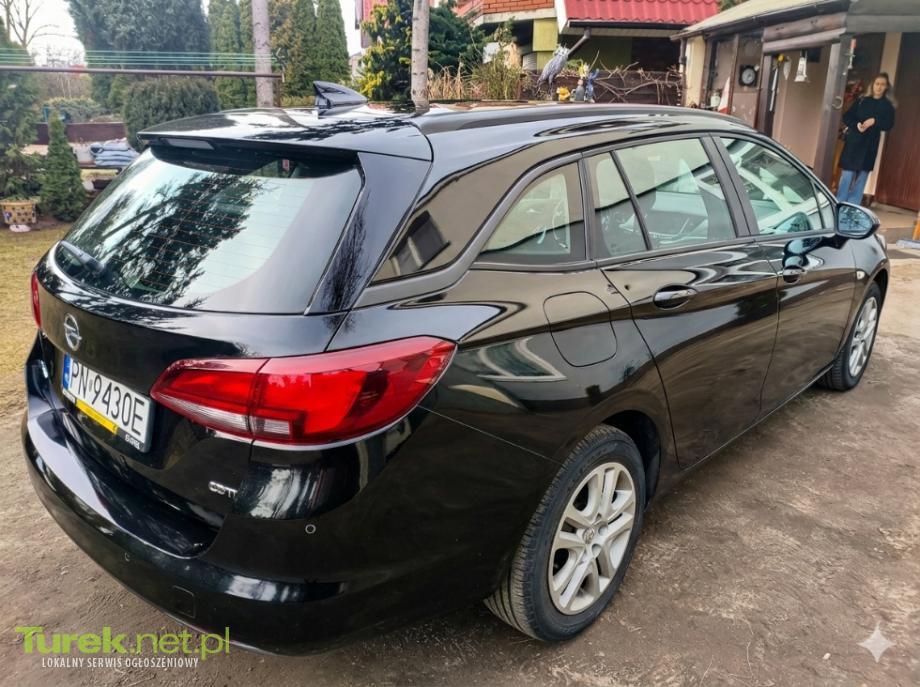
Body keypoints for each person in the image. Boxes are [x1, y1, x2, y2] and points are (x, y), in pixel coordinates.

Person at [837, 73, 896, 205]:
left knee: (861, 178)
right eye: (877, 84)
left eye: (882, 84)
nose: (879, 87)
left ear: (886, 87)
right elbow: (847, 116)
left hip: (870, 145)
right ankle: (839, 204)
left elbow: (889, 124)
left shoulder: (888, 106)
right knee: (847, 176)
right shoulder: (862, 100)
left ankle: (853, 207)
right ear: (872, 85)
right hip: (854, 143)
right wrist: (857, 125)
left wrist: (875, 121)